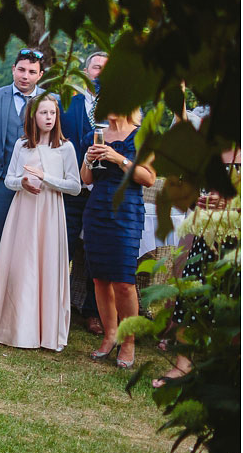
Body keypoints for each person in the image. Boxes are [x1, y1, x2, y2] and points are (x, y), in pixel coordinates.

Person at [0, 95, 81, 351]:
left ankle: (45, 331)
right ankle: (16, 328)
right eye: (43, 113)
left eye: (52, 113)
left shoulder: (65, 148)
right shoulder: (22, 145)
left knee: (46, 265)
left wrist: (47, 178)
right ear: (32, 117)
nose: (48, 118)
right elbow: (10, 180)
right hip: (24, 211)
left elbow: (75, 186)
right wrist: (23, 183)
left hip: (50, 213)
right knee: (22, 265)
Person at [153, 149, 239, 387]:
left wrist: (232, 204)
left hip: (237, 240)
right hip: (205, 236)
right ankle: (183, 367)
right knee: (190, 298)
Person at [81, 106, 155, 369]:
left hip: (126, 210)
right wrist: (89, 159)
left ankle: (128, 340)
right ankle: (110, 335)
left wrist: (117, 158)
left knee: (123, 281)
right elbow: (86, 178)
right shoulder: (95, 134)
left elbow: (148, 178)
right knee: (99, 277)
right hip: (97, 207)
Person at [0, 49, 48, 293]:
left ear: (40, 75)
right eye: (21, 70)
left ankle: (22, 292)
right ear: (13, 70)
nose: (25, 76)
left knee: (29, 239)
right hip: (0, 181)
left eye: (31, 72)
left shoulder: (51, 101)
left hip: (37, 184)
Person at [60, 50, 108, 335]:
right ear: (85, 71)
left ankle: (92, 312)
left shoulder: (121, 109)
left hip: (102, 191)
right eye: (96, 67)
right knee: (61, 247)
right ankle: (55, 303)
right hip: (72, 189)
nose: (100, 73)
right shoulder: (68, 103)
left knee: (94, 253)